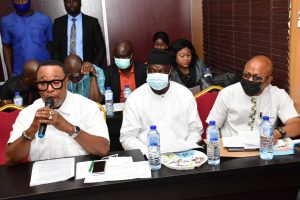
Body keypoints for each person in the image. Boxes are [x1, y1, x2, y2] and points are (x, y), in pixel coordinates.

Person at [6, 60, 110, 165]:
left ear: (66, 82)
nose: (50, 89)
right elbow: (10, 159)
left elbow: (103, 149)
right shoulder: (28, 113)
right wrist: (31, 130)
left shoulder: (87, 106)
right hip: (43, 177)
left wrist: (68, 127)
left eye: (56, 82)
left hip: (80, 175)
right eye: (43, 83)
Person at [120, 49, 203, 155]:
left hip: (183, 156)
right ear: (147, 71)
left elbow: (195, 130)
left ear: (170, 72)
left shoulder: (184, 94)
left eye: (162, 71)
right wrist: (150, 153)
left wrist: (186, 150)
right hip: (149, 156)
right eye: (152, 71)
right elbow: (128, 137)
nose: (156, 74)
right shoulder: (135, 98)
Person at [206, 55, 300, 140]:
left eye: (257, 78)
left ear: (269, 80)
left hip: (264, 149)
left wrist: (277, 133)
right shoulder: (227, 93)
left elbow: (297, 125)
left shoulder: (278, 95)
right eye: (246, 75)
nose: (250, 80)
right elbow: (213, 127)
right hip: (232, 151)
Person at [1, 0, 52, 78]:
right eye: (17, 0)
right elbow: (6, 48)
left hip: (44, 71)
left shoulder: (45, 19)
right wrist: (10, 74)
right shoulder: (6, 21)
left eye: (23, 0)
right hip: (20, 74)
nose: (20, 2)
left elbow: (52, 45)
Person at [52, 0, 106, 68]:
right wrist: (60, 67)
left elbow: (101, 48)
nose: (71, 4)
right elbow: (55, 49)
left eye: (74, 1)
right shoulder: (58, 23)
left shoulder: (92, 22)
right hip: (65, 70)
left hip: (86, 69)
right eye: (68, 1)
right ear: (64, 3)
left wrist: (92, 66)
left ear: (80, 2)